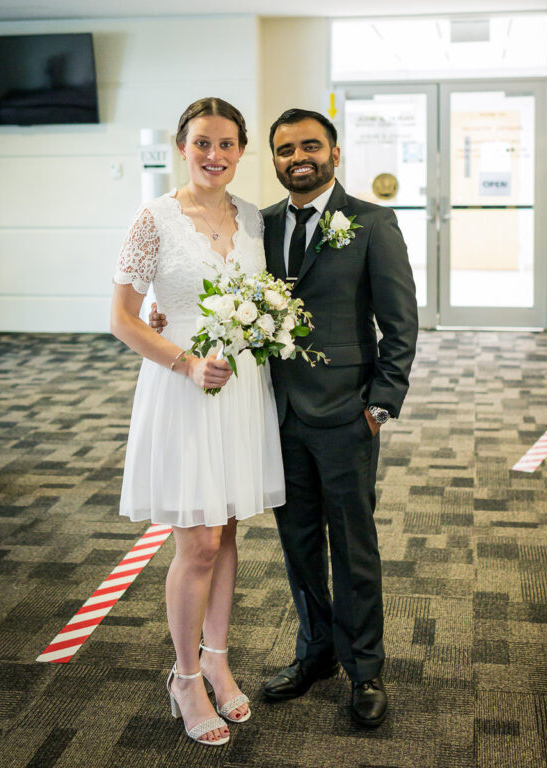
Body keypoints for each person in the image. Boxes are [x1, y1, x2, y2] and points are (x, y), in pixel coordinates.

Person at [152, 107, 418, 728]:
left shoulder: (372, 223)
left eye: (310, 147)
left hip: (349, 412)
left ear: (334, 152)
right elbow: (212, 287)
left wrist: (381, 404)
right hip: (272, 411)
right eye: (285, 150)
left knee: (353, 546)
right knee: (298, 545)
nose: (298, 158)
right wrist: (168, 317)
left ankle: (365, 667)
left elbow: (400, 324)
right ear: (270, 158)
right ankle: (315, 652)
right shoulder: (257, 223)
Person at [111, 97, 284, 748]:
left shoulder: (251, 218)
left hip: (241, 386)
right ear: (183, 146)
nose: (215, 155)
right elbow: (123, 317)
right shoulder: (153, 217)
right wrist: (183, 361)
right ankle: (184, 677)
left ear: (242, 151)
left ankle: (217, 656)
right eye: (202, 142)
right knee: (199, 543)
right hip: (184, 388)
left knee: (229, 527)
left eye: (228, 144)